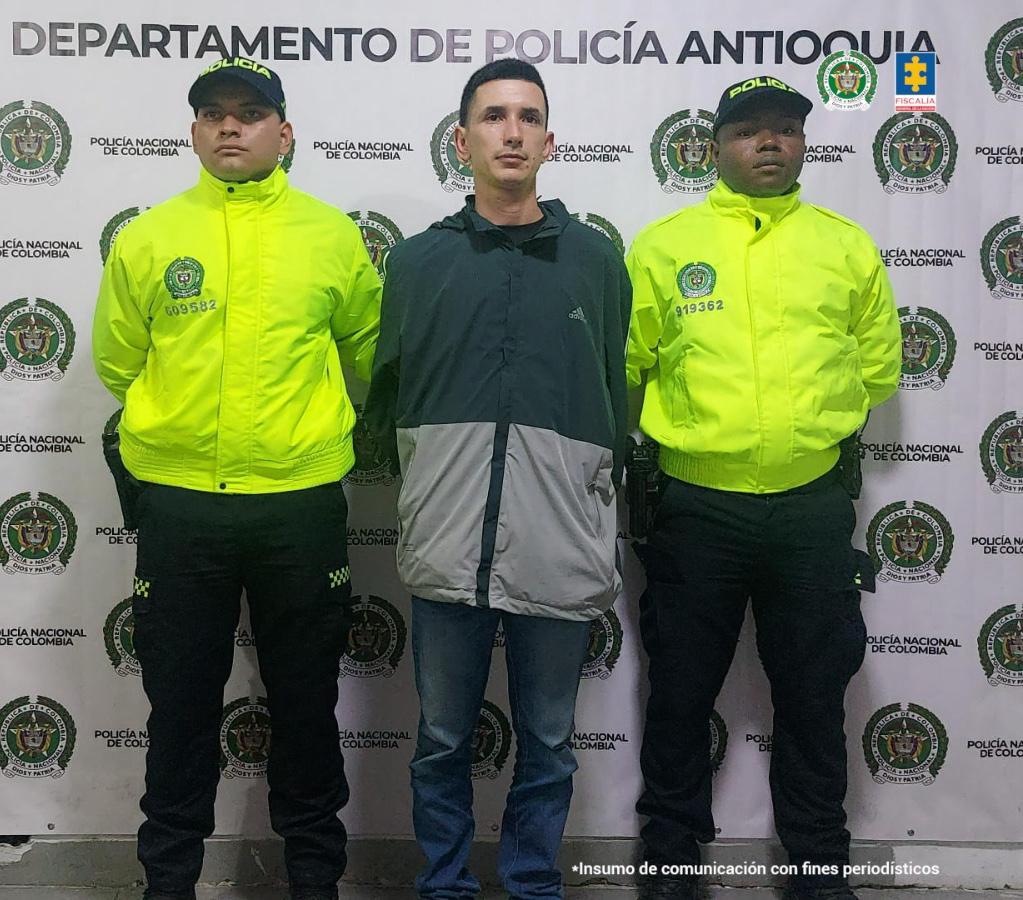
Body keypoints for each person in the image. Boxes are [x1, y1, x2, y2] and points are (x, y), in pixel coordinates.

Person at [92, 56, 381, 900]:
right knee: (178, 711)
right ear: (192, 132)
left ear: (283, 133)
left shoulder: (331, 236)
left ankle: (315, 880)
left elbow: (368, 354)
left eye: (250, 113)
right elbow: (118, 363)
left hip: (299, 508)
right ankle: (168, 882)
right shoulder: (148, 237)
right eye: (213, 113)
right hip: (181, 509)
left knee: (305, 706)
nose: (229, 126)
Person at [625, 75, 901, 900]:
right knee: (677, 696)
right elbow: (628, 363)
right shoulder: (662, 247)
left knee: (815, 697)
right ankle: (669, 863)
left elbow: (879, 368)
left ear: (804, 143)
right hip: (693, 509)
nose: (769, 143)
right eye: (749, 132)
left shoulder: (845, 246)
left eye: (784, 129)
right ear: (714, 147)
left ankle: (818, 867)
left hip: (810, 507)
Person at [365, 59, 631, 900]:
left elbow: (610, 403)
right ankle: (442, 886)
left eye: (526, 117)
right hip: (448, 546)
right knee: (441, 739)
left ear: (550, 141)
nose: (510, 132)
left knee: (548, 741)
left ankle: (530, 884)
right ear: (462, 139)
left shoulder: (596, 262)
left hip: (559, 544)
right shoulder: (415, 265)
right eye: (492, 117)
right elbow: (391, 399)